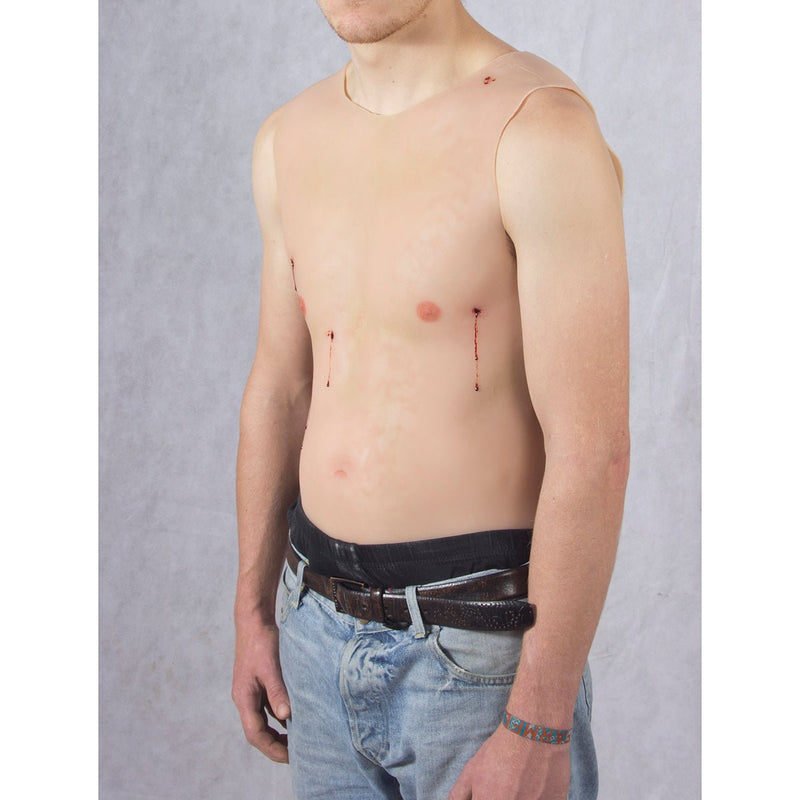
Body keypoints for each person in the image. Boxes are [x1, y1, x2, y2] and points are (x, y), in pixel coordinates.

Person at [232, 1, 629, 798]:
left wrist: (540, 715)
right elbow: (280, 388)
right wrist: (253, 610)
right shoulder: (287, 139)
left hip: (477, 655)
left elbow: (593, 450)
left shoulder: (538, 131)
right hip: (312, 625)